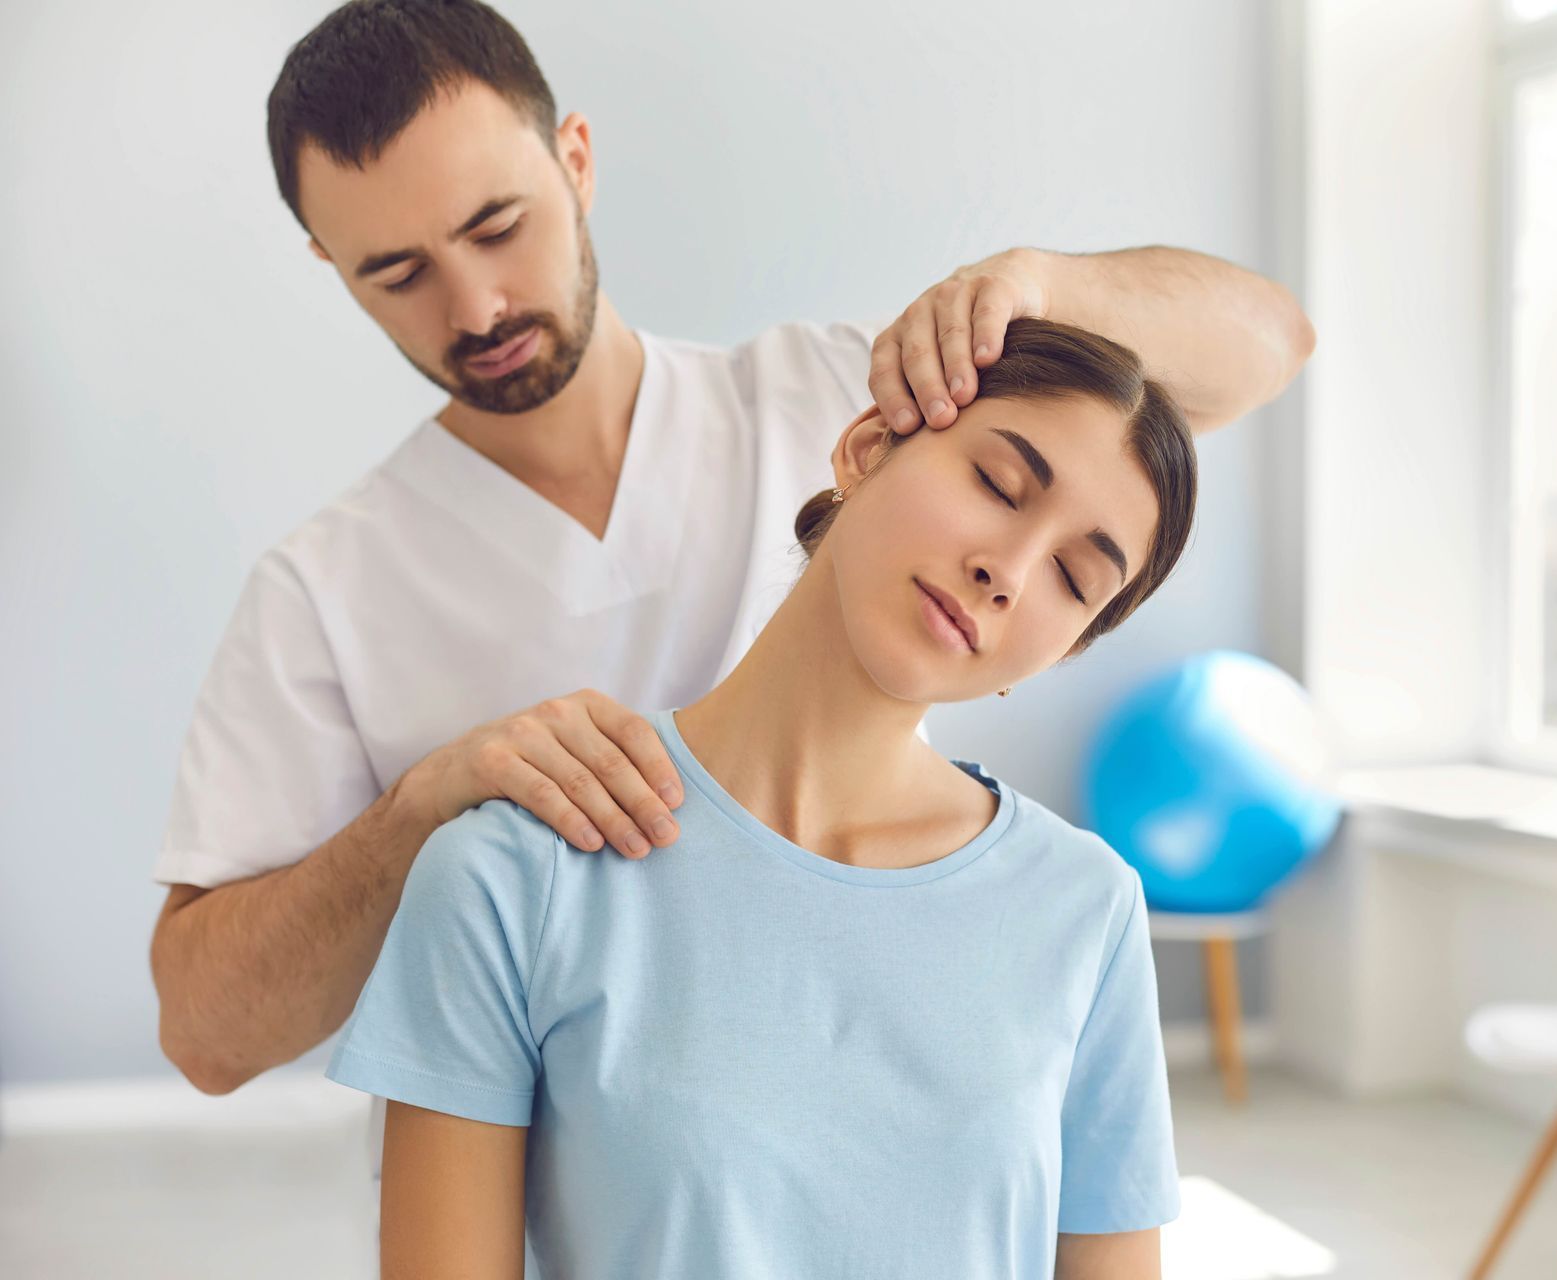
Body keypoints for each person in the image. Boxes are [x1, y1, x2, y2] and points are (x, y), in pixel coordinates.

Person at [148, 0, 1312, 1172]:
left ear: (576, 160)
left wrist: (1037, 284)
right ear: (329, 266)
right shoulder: (324, 588)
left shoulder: (844, 397)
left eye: (497, 226)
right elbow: (206, 1035)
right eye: (397, 273)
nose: (477, 308)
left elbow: (1264, 345)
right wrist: (419, 815)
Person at [326, 316, 1195, 1279]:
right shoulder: (516, 875)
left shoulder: (1086, 911)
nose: (1009, 572)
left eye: (1073, 580)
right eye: (996, 484)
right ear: (868, 449)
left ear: (1061, 650)